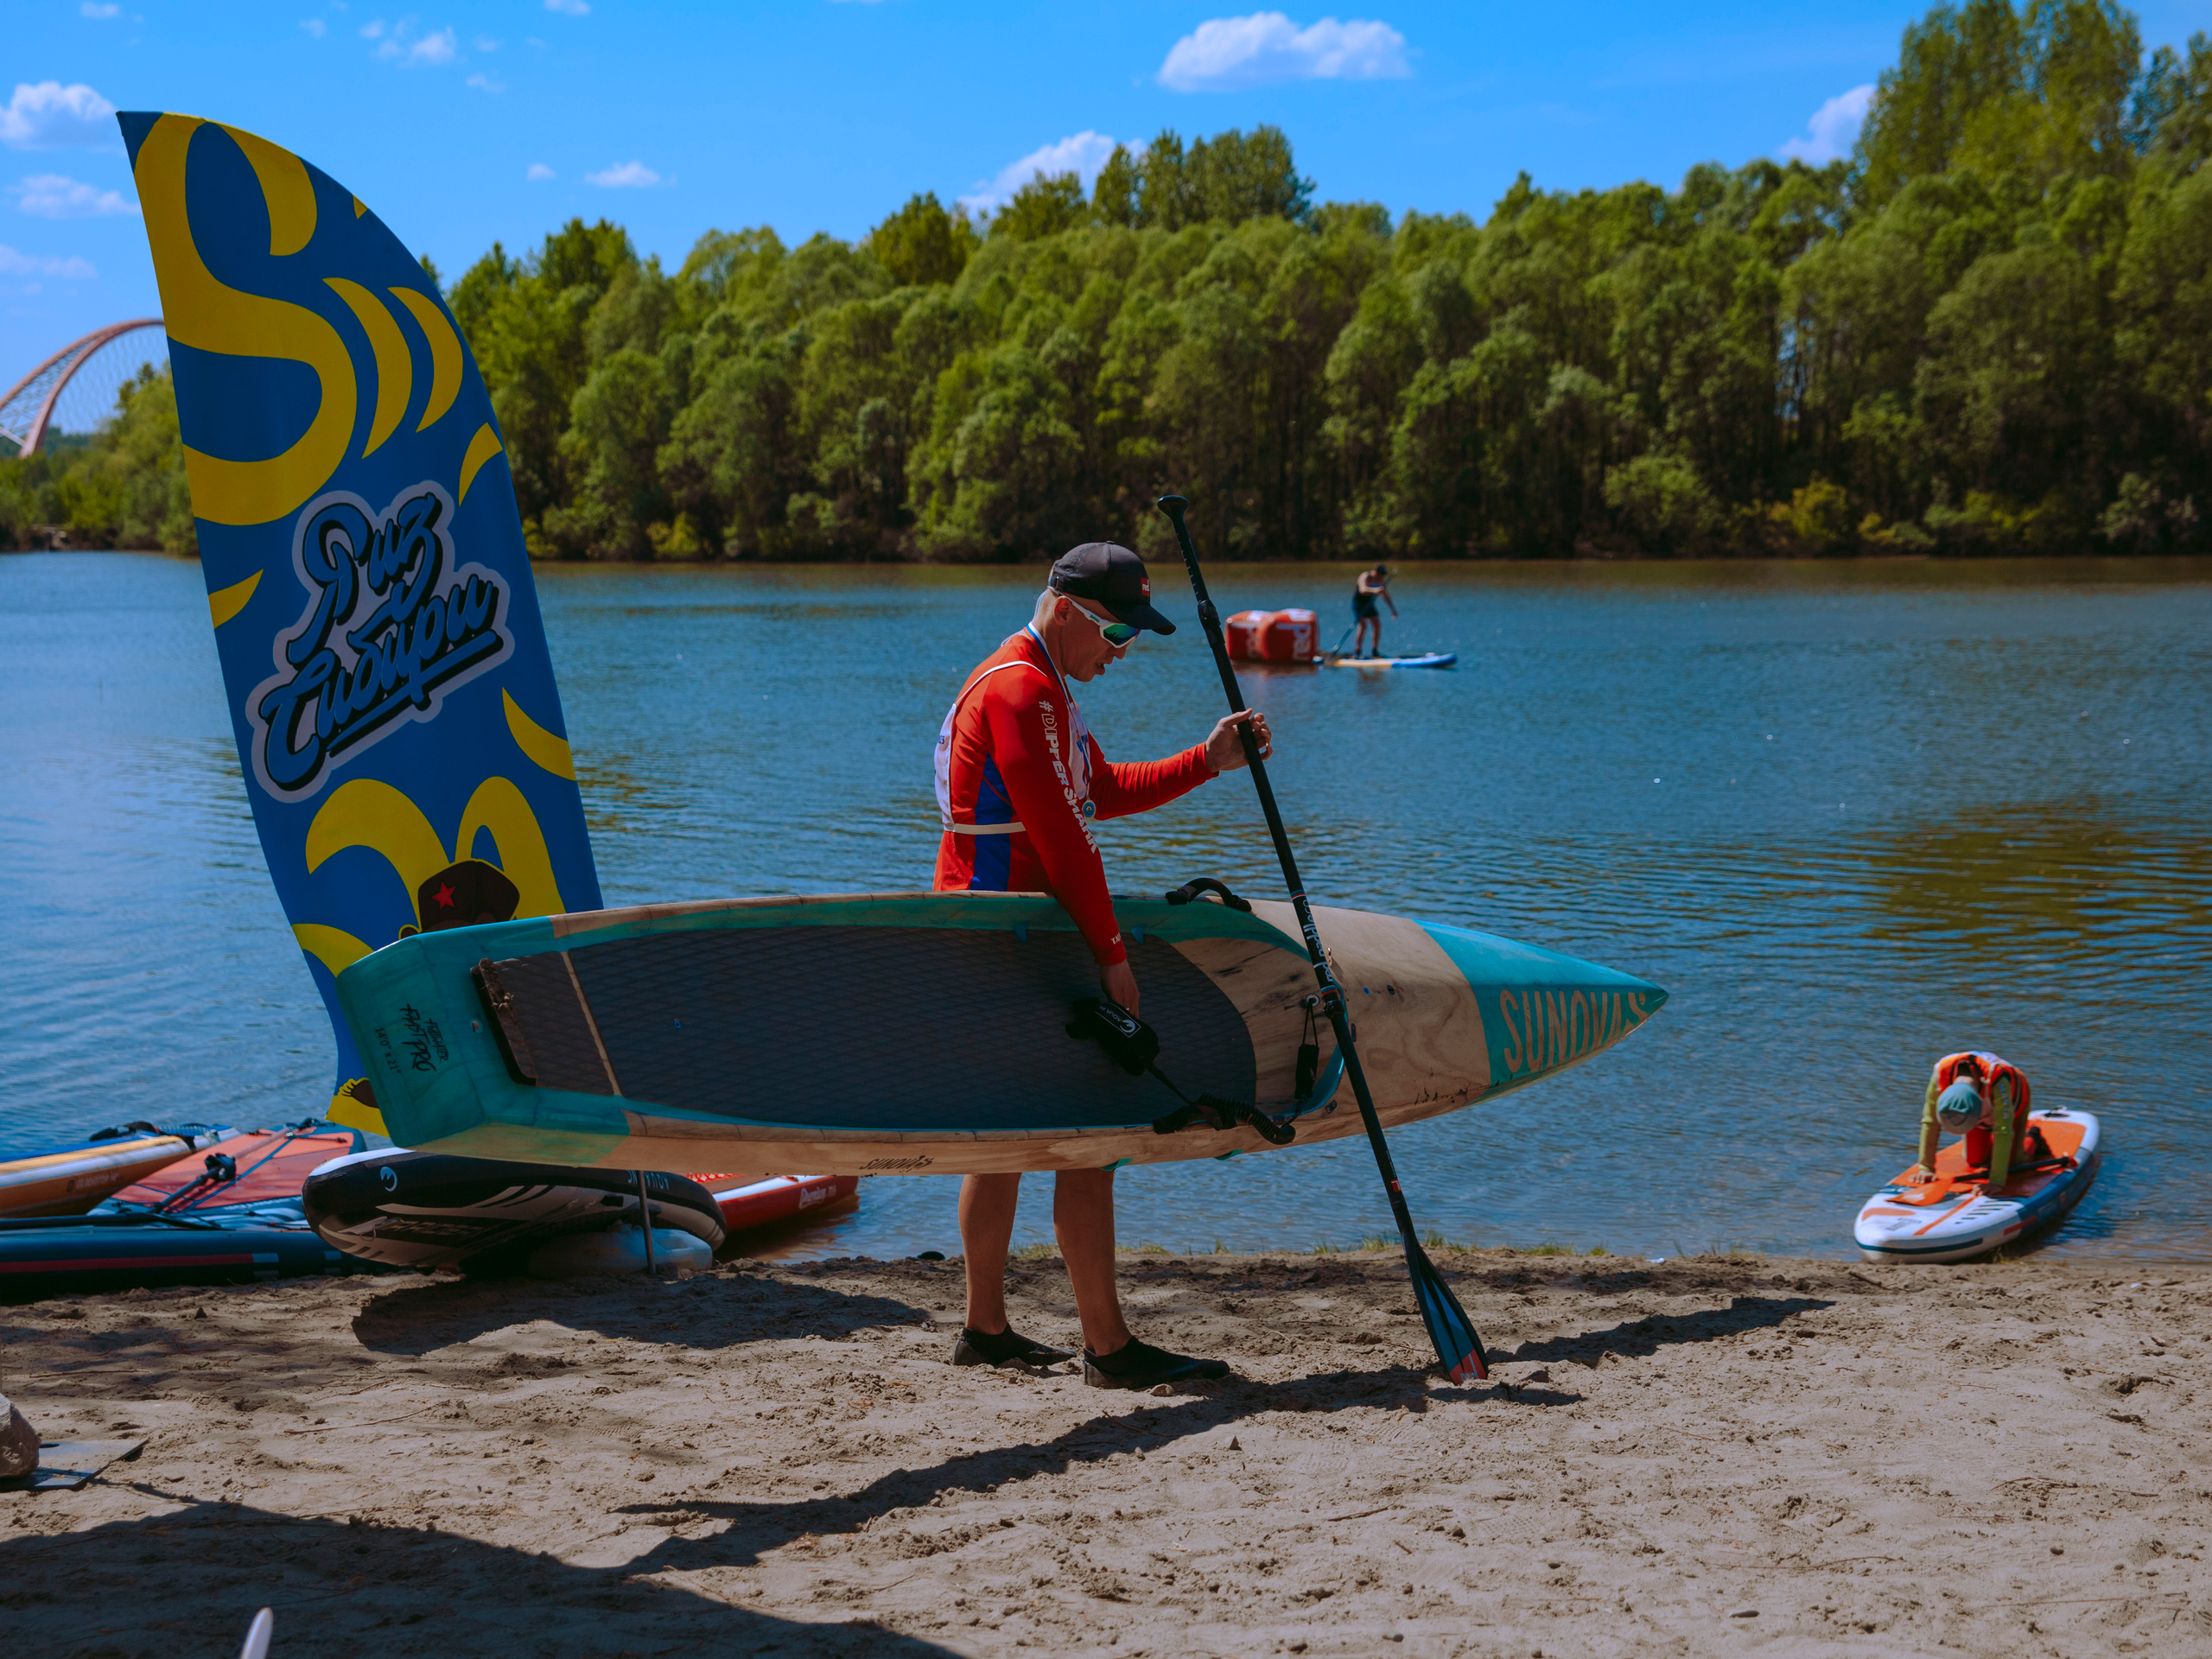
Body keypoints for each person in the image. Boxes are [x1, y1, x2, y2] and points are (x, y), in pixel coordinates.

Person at [934, 540, 1273, 1390]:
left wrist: (1207, 760)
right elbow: (1060, 835)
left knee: (1010, 1141)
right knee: (1088, 1138)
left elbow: (1102, 791)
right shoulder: (1021, 690)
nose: (1121, 656)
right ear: (1068, 612)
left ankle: (985, 1327)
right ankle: (1108, 1348)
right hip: (1011, 946)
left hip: (996, 943)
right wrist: (1112, 954)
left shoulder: (1037, 684)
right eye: (1117, 637)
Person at [1910, 1052, 2050, 1194]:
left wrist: (1996, 1181)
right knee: (1975, 1161)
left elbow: (2003, 1131)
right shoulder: (1940, 1075)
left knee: (2013, 1162)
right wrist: (1926, 1168)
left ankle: (2034, 1136)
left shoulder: (1998, 1080)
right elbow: (1930, 1122)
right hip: (1977, 1105)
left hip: (2013, 1105)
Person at [1351, 563, 1397, 658]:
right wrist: (1375, 590)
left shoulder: (1380, 580)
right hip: (1359, 604)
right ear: (1375, 571)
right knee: (1363, 626)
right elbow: (1362, 590)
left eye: (1383, 575)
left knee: (1377, 625)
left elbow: (1385, 595)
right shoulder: (1365, 576)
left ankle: (1375, 651)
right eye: (1380, 574)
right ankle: (1358, 651)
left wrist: (1392, 609)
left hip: (1369, 603)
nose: (1381, 577)